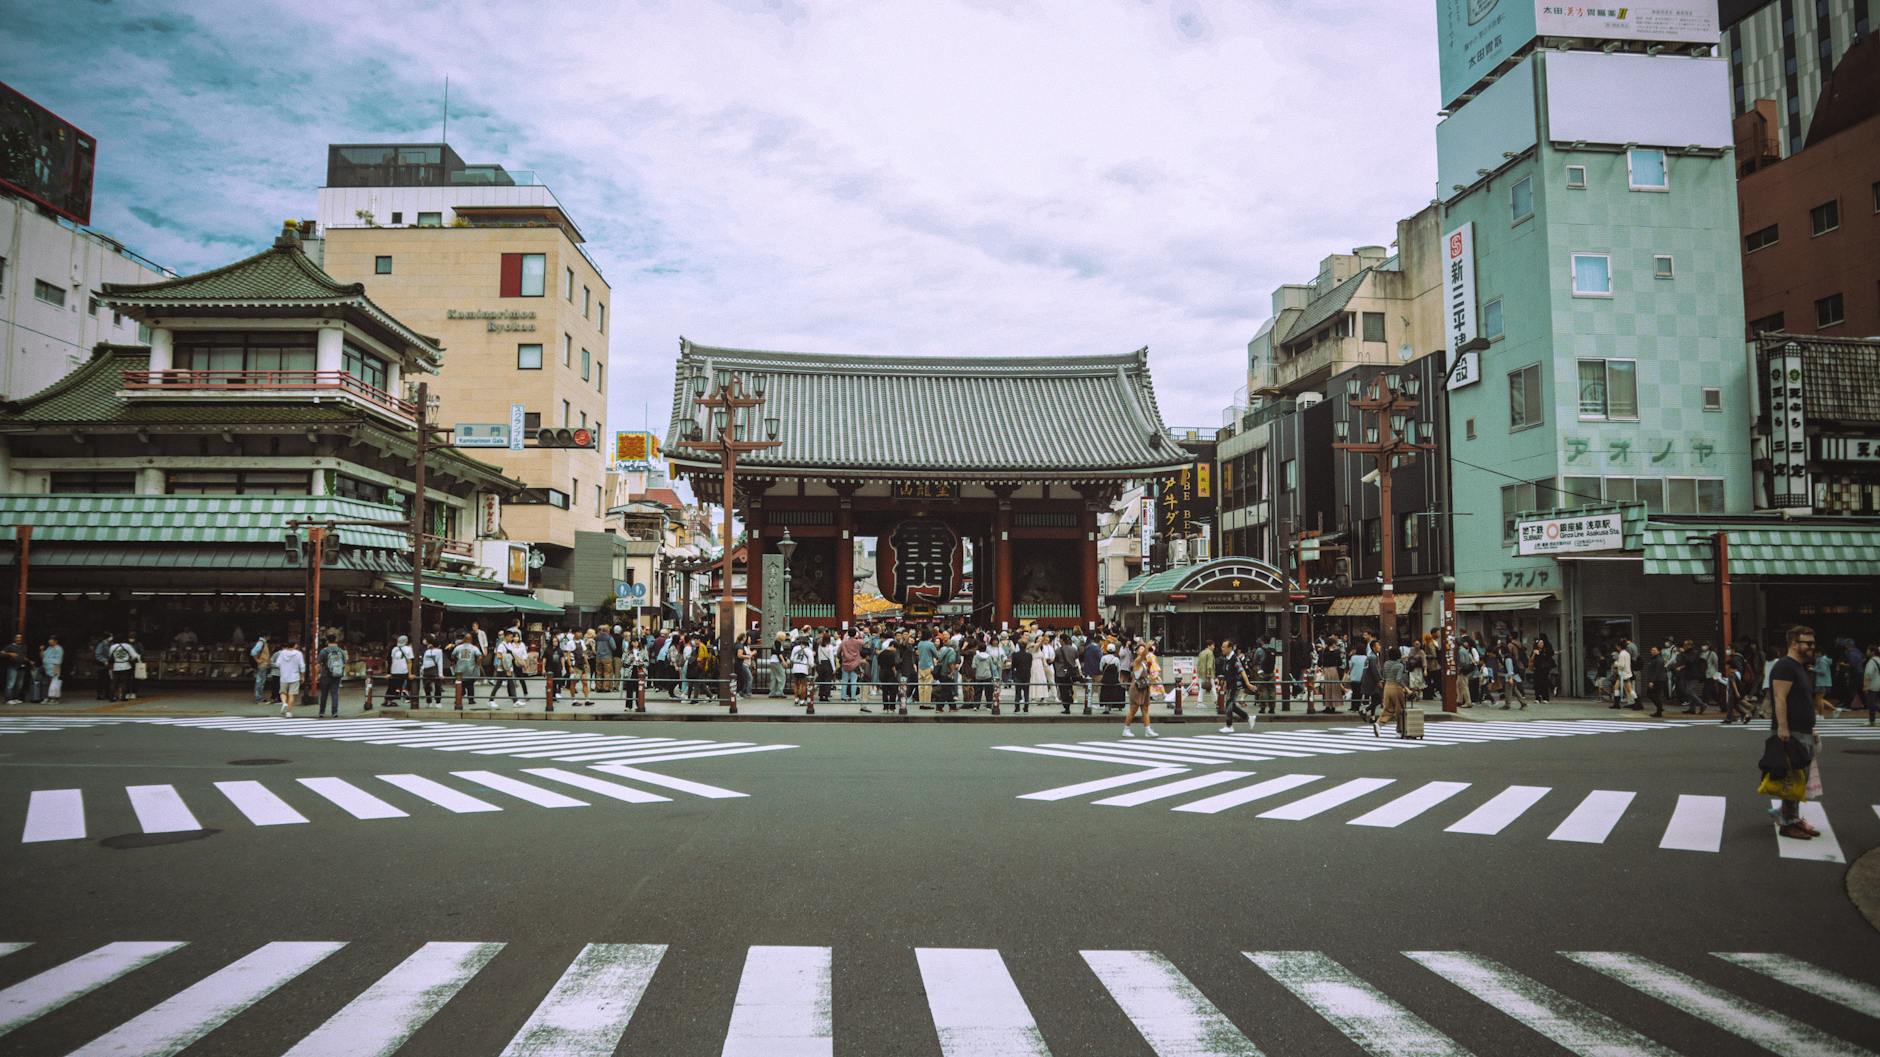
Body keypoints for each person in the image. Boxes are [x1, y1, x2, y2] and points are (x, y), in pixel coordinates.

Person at [1768, 625, 1822, 840]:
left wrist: (1812, 727)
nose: (1812, 647)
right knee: (1793, 778)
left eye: (1812, 643)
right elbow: (1779, 697)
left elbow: (1801, 701)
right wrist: (1783, 728)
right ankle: (1788, 823)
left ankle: (1791, 817)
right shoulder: (1785, 666)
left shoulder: (1798, 666)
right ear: (1793, 644)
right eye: (1807, 643)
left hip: (1803, 730)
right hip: (1792, 732)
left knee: (1799, 777)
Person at [1124, 638, 1160, 738]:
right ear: (1136, 651)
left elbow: (1145, 675)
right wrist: (1147, 646)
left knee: (1145, 708)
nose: (1142, 650)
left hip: (1144, 687)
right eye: (1140, 649)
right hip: (1136, 688)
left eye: (1143, 648)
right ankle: (1126, 729)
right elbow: (1143, 655)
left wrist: (1153, 678)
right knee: (1133, 709)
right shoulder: (1137, 661)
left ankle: (1147, 729)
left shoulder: (1144, 663)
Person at [1218, 640, 1254, 733]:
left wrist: (1247, 684)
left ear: (1230, 648)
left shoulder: (1234, 659)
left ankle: (1229, 726)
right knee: (1232, 705)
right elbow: (1227, 672)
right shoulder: (1227, 658)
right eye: (1222, 647)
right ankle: (1248, 717)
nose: (1222, 649)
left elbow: (1242, 671)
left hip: (1235, 685)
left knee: (1229, 704)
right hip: (1230, 684)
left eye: (1224, 647)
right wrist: (1225, 682)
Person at [274, 638, 306, 718]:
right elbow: (302, 666)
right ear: (295, 645)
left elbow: (277, 664)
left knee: (282, 692)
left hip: (284, 676)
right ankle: (288, 712)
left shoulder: (282, 653)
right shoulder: (298, 654)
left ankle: (284, 703)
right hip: (294, 677)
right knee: (292, 695)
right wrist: (302, 676)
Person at [451, 633, 483, 708]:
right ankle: (471, 699)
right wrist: (477, 664)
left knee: (460, 684)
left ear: (464, 639)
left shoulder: (458, 647)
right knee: (470, 685)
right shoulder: (474, 648)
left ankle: (458, 698)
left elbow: (452, 656)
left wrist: (455, 662)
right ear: (471, 640)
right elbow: (479, 656)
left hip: (459, 669)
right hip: (470, 669)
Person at [108, 633, 141, 703]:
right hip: (126, 666)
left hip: (116, 666)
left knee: (114, 682)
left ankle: (111, 697)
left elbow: (110, 656)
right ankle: (123, 697)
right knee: (124, 682)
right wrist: (130, 659)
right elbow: (134, 656)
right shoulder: (127, 646)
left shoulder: (112, 646)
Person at [1053, 633, 1080, 714]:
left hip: (1061, 673)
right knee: (1069, 687)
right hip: (1070, 673)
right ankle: (1070, 698)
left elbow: (1055, 659)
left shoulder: (1058, 650)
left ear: (1062, 640)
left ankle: (1066, 706)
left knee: (1062, 689)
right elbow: (1076, 658)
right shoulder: (1073, 649)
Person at [386, 635, 414, 705]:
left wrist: (390, 672)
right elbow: (409, 662)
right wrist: (410, 673)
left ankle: (388, 700)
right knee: (410, 681)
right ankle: (406, 692)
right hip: (404, 671)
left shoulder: (394, 649)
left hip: (394, 671)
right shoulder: (408, 649)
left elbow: (392, 660)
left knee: (392, 685)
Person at [838, 629, 864, 704]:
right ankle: (853, 697)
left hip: (845, 664)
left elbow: (838, 652)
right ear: (855, 634)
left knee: (844, 681)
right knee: (854, 681)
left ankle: (843, 697)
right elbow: (863, 641)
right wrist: (859, 632)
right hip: (855, 664)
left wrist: (841, 658)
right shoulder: (857, 642)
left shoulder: (843, 642)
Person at [1, 634, 28, 704]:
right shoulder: (10, 646)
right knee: (11, 683)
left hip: (21, 667)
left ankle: (15, 698)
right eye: (17, 637)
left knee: (19, 685)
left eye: (20, 638)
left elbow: (23, 657)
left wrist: (30, 662)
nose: (19, 639)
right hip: (13, 666)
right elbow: (1, 653)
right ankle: (8, 699)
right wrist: (10, 653)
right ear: (14, 638)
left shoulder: (23, 646)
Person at [789, 634, 814, 709]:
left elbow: (792, 659)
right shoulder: (809, 651)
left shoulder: (795, 648)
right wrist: (812, 666)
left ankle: (796, 699)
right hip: (803, 668)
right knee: (803, 685)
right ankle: (802, 701)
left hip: (795, 667)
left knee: (796, 684)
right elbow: (811, 663)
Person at [420, 636, 445, 707]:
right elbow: (440, 662)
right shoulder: (437, 651)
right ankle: (435, 702)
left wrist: (422, 669)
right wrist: (441, 673)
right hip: (432, 669)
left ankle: (432, 702)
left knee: (429, 687)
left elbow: (425, 661)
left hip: (428, 669)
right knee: (435, 686)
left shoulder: (428, 651)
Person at [250, 634, 274, 705]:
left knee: (261, 682)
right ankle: (259, 699)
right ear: (266, 636)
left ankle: (260, 697)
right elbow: (253, 652)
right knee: (260, 682)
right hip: (262, 665)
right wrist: (257, 660)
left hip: (263, 664)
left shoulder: (263, 642)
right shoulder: (261, 643)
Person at [41, 636, 64, 702]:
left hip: (54, 668)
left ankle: (54, 698)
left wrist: (56, 670)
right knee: (46, 684)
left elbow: (59, 660)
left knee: (54, 684)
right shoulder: (49, 648)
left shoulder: (59, 649)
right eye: (49, 641)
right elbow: (43, 656)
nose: (49, 642)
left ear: (56, 641)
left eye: (51, 641)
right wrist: (42, 650)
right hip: (46, 668)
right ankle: (46, 697)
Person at [1196, 640, 1217, 711]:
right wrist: (1209, 674)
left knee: (1202, 688)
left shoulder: (1201, 653)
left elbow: (1198, 664)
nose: (1214, 647)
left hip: (1201, 673)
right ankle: (1217, 702)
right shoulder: (1210, 653)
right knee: (1213, 688)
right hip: (1208, 674)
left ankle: (1199, 702)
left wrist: (1198, 673)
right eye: (1213, 645)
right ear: (1209, 646)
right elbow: (1209, 664)